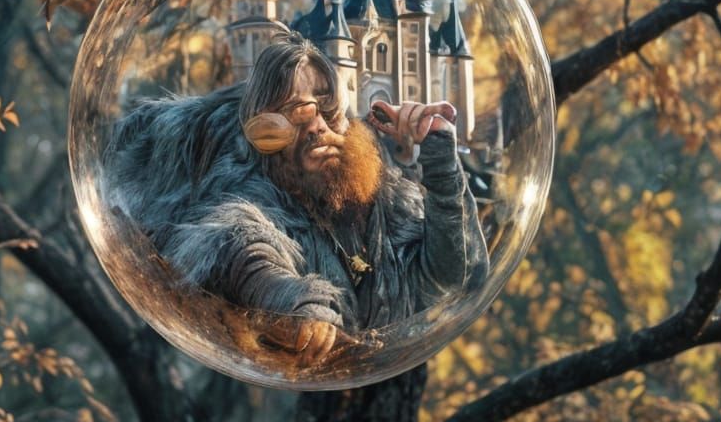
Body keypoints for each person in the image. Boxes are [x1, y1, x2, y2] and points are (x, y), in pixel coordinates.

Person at [104, 34, 488, 366]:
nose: (318, 125)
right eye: (296, 112)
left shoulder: (382, 193)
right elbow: (243, 249)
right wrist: (302, 309)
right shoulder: (251, 196)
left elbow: (455, 276)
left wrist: (439, 154)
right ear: (266, 134)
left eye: (325, 105)